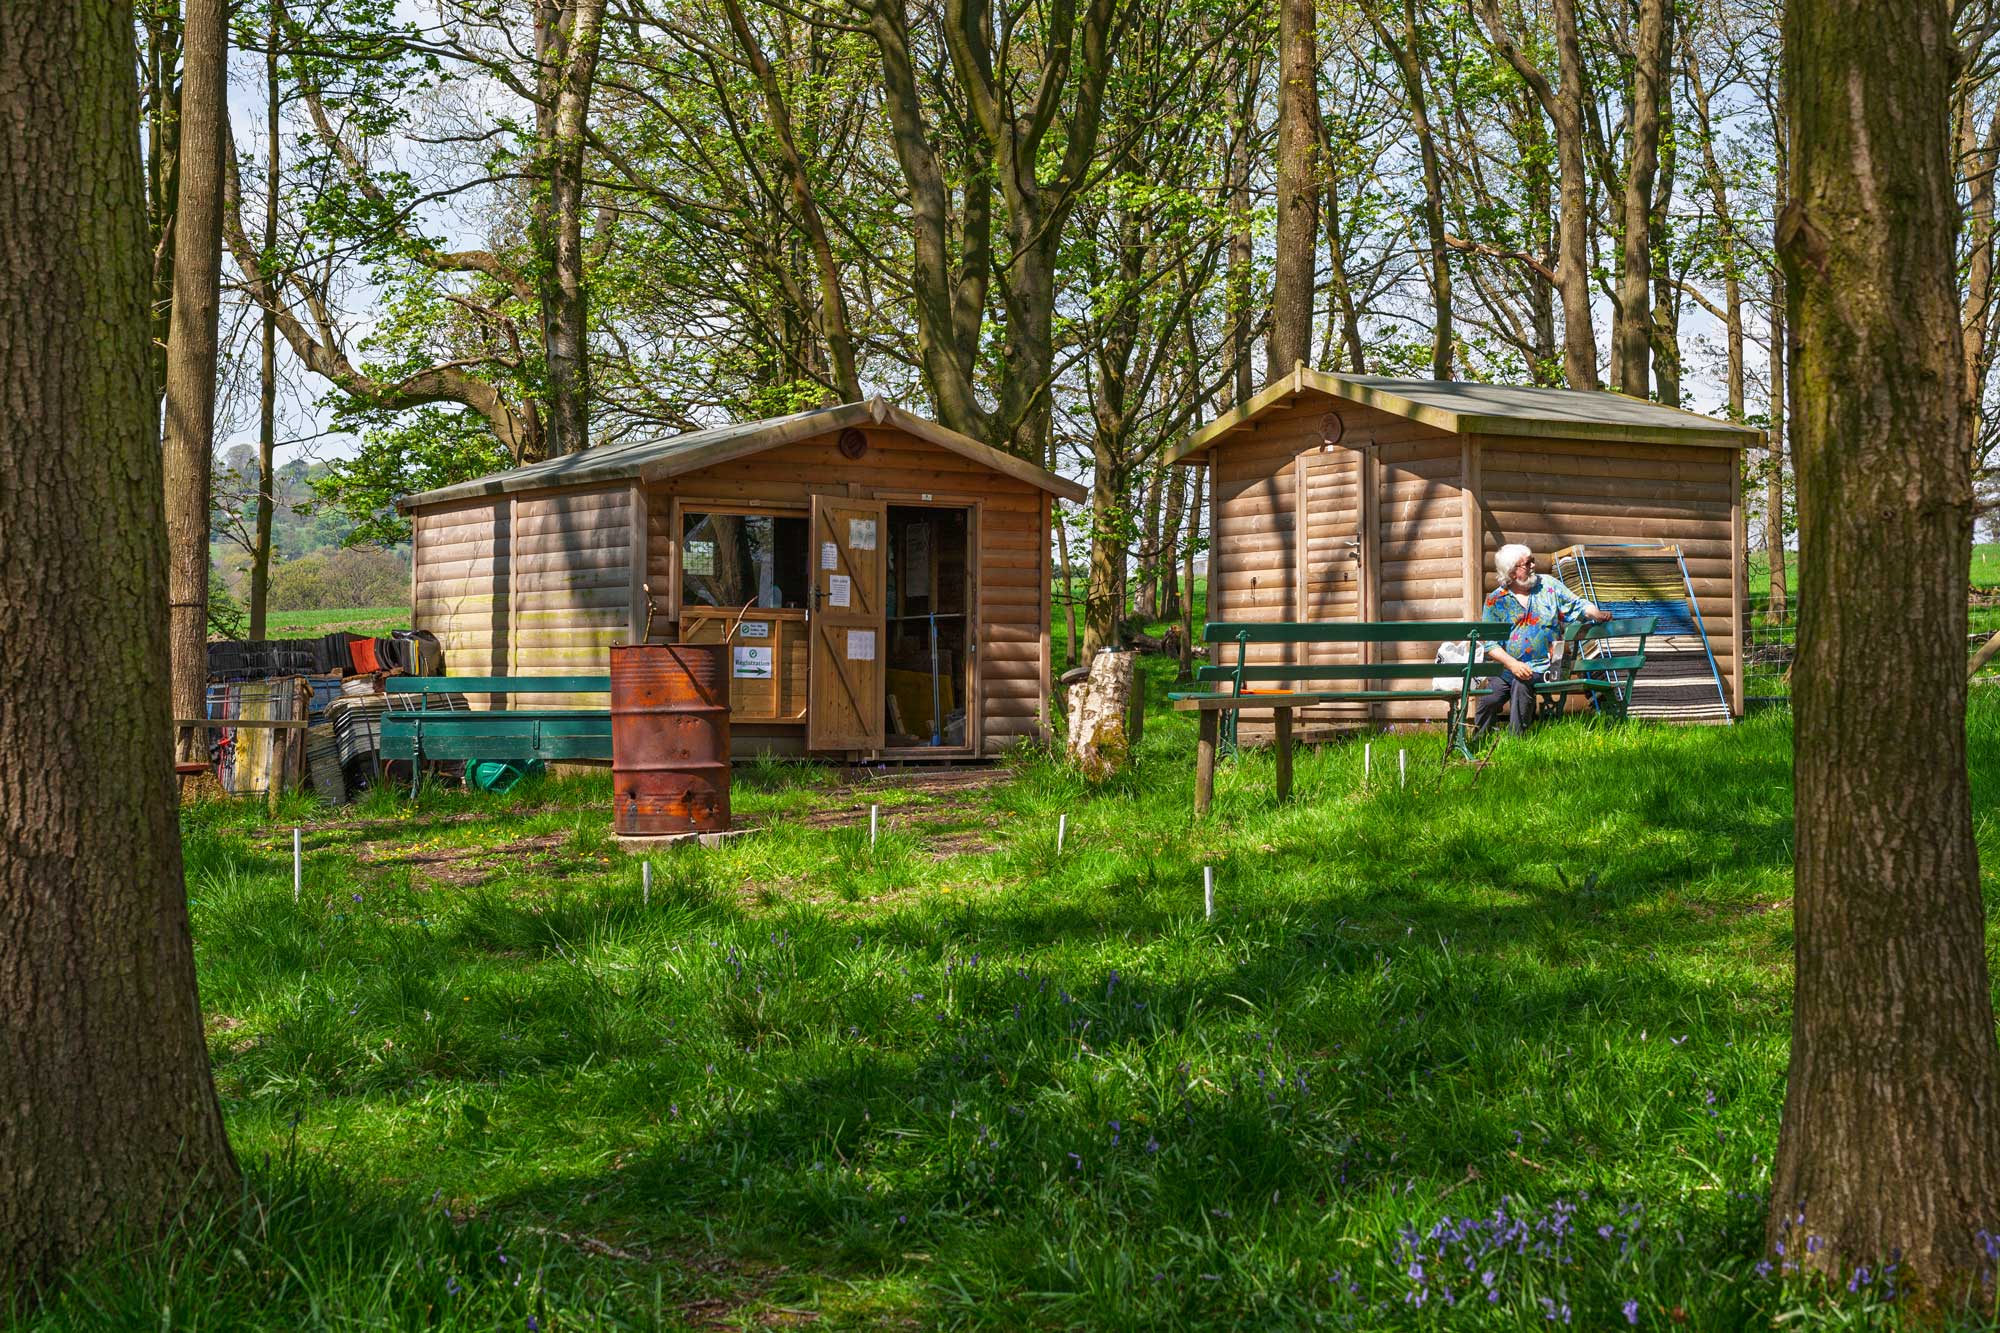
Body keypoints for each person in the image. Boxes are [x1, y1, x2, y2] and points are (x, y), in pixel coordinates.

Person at [1471, 543, 1612, 739]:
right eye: (1526, 564)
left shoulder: (1547, 586)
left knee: (1522, 681)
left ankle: (1516, 741)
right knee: (1491, 697)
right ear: (1512, 573)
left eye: (1532, 561)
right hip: (1507, 669)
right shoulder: (1496, 600)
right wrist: (1512, 664)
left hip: (1547, 666)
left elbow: (1576, 605)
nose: (1533, 566)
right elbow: (1491, 645)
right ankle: (1477, 742)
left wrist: (1594, 612)